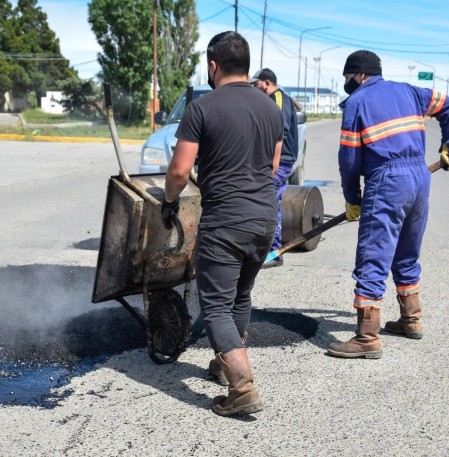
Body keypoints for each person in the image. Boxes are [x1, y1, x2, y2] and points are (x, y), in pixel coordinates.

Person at [162, 31, 283, 416]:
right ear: (246, 65)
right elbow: (275, 166)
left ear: (212, 66)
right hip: (264, 218)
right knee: (240, 296)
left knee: (214, 305)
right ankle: (223, 363)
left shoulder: (202, 107)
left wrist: (168, 201)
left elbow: (180, 170)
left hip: (226, 221)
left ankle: (243, 386)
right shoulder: (271, 108)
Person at [327, 50, 449, 359]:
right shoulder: (409, 91)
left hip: (387, 181)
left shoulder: (356, 103)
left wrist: (352, 197)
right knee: (406, 251)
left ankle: (366, 336)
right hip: (418, 178)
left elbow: (349, 159)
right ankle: (411, 319)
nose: (347, 84)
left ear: (358, 75)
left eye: (348, 77)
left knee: (373, 255)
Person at [249, 68, 299, 269]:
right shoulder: (276, 98)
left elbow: (280, 129)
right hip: (277, 159)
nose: (254, 87)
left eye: (256, 83)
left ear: (266, 82)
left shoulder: (277, 99)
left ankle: (274, 253)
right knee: (269, 200)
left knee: (270, 201)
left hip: (281, 160)